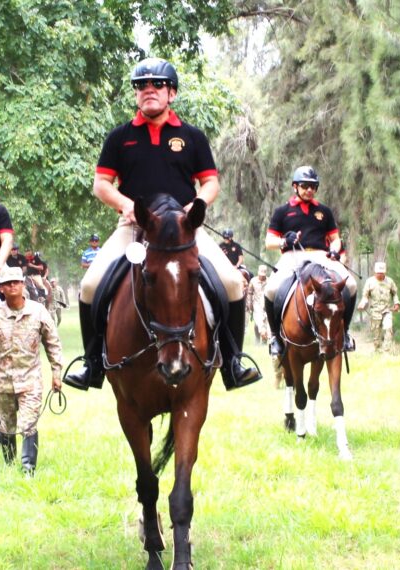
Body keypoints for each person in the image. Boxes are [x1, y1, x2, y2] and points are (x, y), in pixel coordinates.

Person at [65, 57, 260, 392]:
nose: (148, 91)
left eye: (156, 85)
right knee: (89, 286)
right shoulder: (119, 137)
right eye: (141, 86)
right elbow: (101, 184)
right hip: (135, 229)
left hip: (184, 230)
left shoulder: (192, 137)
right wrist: (127, 205)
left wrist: (193, 207)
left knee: (231, 283)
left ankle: (232, 362)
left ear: (172, 93)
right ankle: (92, 364)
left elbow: (210, 184)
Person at [0, 267, 63, 475]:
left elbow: (53, 343)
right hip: (3, 383)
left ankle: (28, 469)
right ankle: (10, 464)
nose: (12, 286)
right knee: (7, 427)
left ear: (22, 285)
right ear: (1, 288)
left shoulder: (38, 312)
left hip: (30, 381)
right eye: (8, 283)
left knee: (28, 424)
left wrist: (56, 373)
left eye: (16, 282)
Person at [263, 166, 358, 356]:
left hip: (321, 255)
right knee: (271, 289)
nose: (309, 190)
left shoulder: (324, 211)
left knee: (353, 285)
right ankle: (275, 337)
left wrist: (333, 250)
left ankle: (345, 333)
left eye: (313, 186)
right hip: (292, 255)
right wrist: (284, 241)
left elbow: (336, 238)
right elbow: (269, 242)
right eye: (305, 186)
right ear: (295, 187)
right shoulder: (282, 212)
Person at [357, 261, 400, 353]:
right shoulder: (369, 282)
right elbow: (365, 296)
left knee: (388, 328)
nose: (380, 275)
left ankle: (386, 351)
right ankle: (377, 350)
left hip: (387, 309)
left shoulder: (390, 281)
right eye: (378, 273)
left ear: (385, 272)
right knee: (376, 334)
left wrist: (397, 303)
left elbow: (395, 293)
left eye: (382, 273)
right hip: (375, 311)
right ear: (375, 272)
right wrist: (362, 303)